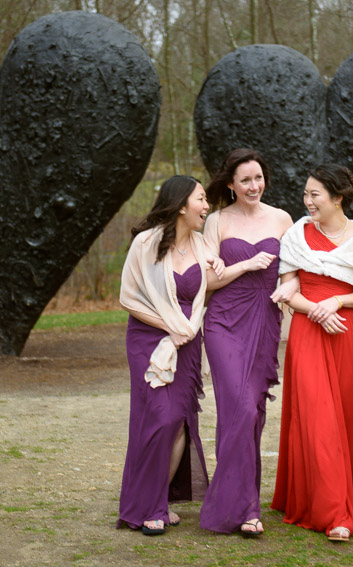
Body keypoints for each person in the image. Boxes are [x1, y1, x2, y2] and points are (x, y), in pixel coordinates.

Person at [269, 164, 353, 542]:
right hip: (307, 329)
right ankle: (334, 510)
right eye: (305, 194)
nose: (307, 201)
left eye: (315, 194)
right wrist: (316, 310)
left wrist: (337, 300)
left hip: (346, 331)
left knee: (350, 416)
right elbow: (289, 287)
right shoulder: (296, 235)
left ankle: (352, 489)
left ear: (337, 197)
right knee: (318, 417)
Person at [117, 175, 225, 535]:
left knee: (179, 421)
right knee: (158, 419)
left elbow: (209, 287)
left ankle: (157, 502)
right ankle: (144, 505)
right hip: (149, 338)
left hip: (189, 341)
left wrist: (237, 266)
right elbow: (129, 298)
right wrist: (169, 326)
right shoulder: (146, 243)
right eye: (201, 199)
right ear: (181, 205)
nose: (207, 206)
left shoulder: (201, 245)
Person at [199, 148, 293, 536]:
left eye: (258, 178)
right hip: (223, 322)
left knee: (252, 410)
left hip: (265, 321)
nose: (253, 186)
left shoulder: (282, 219)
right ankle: (244, 506)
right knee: (238, 406)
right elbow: (206, 283)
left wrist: (291, 291)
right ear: (230, 185)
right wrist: (244, 265)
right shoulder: (217, 221)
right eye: (245, 180)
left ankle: (242, 500)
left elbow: (293, 272)